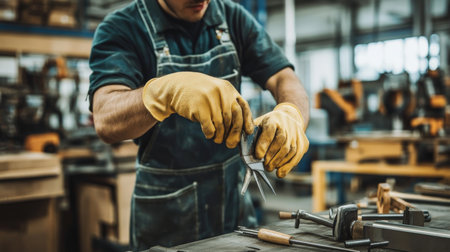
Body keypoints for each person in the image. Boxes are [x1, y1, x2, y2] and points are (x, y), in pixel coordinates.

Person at [88, 0, 309, 250]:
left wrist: (291, 113)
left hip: (234, 210)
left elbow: (284, 77)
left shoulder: (232, 17)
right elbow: (106, 117)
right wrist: (163, 93)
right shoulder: (123, 27)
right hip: (165, 221)